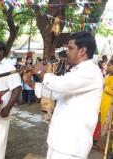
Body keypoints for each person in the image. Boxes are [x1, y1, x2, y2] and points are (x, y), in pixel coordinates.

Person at [23, 31, 103, 159]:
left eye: (70, 48)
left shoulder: (91, 71)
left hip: (72, 146)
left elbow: (60, 85)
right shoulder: (76, 71)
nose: (67, 52)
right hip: (59, 141)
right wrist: (31, 83)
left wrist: (40, 71)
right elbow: (57, 93)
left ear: (82, 51)